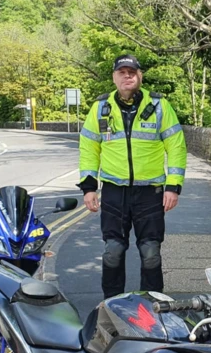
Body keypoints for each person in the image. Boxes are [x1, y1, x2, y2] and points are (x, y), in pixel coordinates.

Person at [78, 54, 187, 299]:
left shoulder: (159, 106)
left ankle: (153, 306)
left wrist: (173, 186)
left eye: (132, 72)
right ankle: (112, 305)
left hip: (150, 193)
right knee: (113, 250)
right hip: (114, 192)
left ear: (140, 76)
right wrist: (88, 187)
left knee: (150, 252)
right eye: (122, 72)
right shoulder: (101, 108)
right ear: (114, 77)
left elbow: (176, 146)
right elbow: (88, 147)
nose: (127, 76)